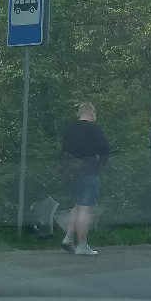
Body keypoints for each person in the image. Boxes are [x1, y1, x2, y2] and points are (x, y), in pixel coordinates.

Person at [58, 102, 110, 256]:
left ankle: (68, 238)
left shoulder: (69, 129)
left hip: (71, 174)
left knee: (77, 205)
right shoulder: (94, 129)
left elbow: (64, 152)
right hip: (89, 173)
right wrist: (98, 166)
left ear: (79, 114)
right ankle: (82, 245)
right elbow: (105, 151)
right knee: (85, 209)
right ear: (92, 114)